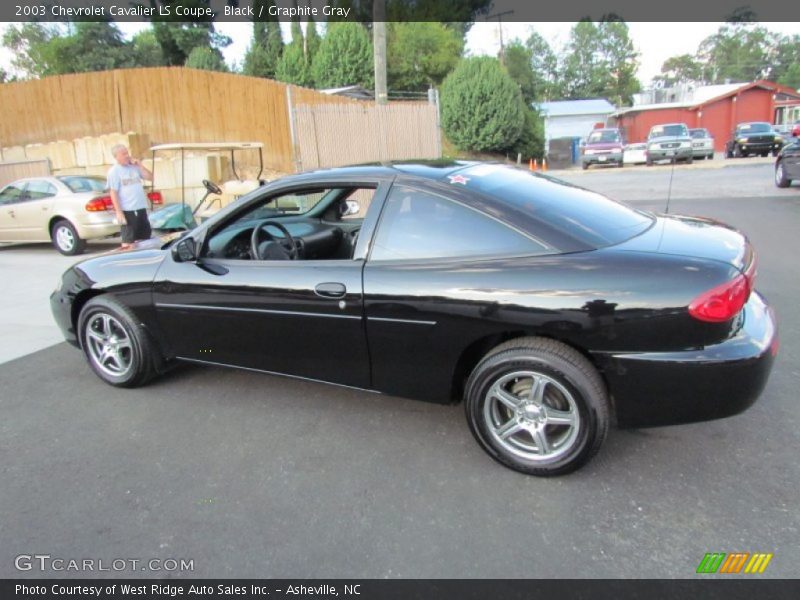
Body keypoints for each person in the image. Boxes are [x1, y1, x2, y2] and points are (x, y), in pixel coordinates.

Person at [107, 144, 154, 250]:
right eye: (123, 154)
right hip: (127, 210)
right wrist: (119, 212)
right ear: (116, 156)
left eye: (127, 153)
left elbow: (150, 177)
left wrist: (140, 166)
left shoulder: (134, 167)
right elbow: (113, 192)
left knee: (145, 238)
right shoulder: (114, 171)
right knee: (129, 241)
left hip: (140, 207)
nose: (127, 156)